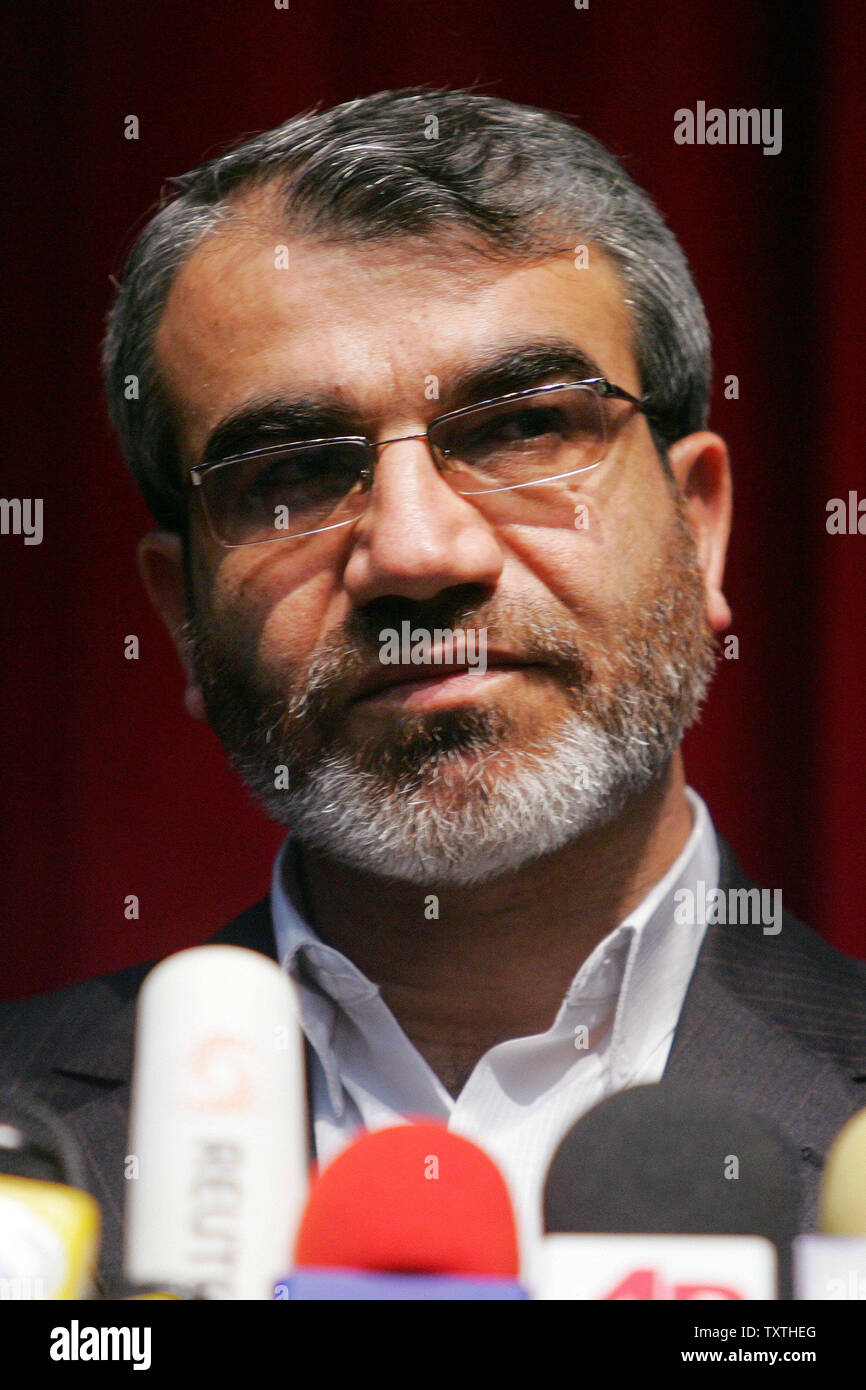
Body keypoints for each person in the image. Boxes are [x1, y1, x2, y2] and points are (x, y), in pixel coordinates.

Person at [2, 88, 864, 1296]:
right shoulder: (19, 1147)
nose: (415, 550)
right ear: (183, 617)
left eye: (518, 427)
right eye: (293, 471)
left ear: (700, 526)